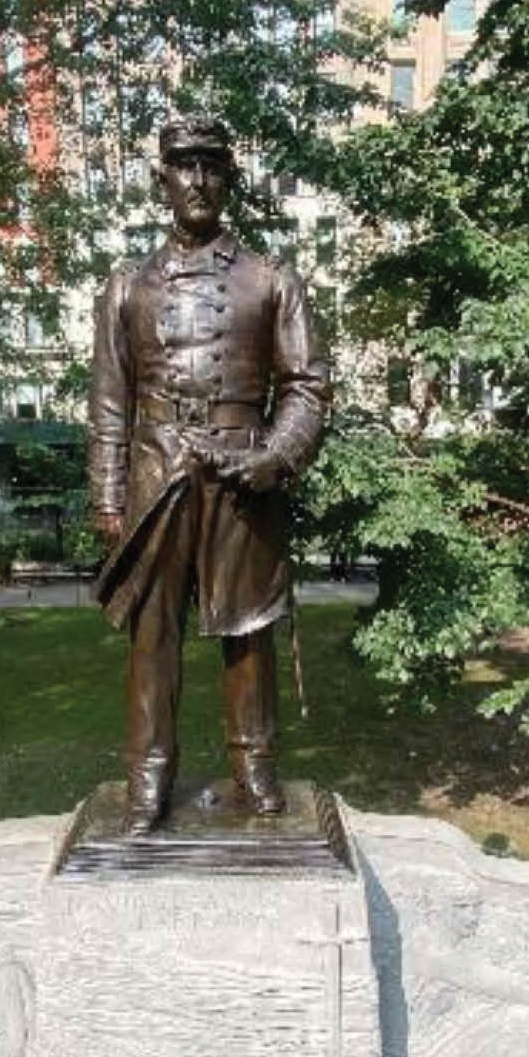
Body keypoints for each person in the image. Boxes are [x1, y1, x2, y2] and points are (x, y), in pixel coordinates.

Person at [86, 116, 330, 834]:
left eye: (211, 167)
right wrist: (106, 495)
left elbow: (307, 387)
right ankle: (147, 782)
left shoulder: (270, 279)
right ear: (162, 179)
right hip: (154, 477)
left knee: (247, 632)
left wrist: (272, 457)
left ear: (229, 178)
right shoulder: (126, 286)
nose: (197, 181)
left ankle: (256, 773)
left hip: (241, 480)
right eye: (183, 167)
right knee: (151, 635)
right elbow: (108, 401)